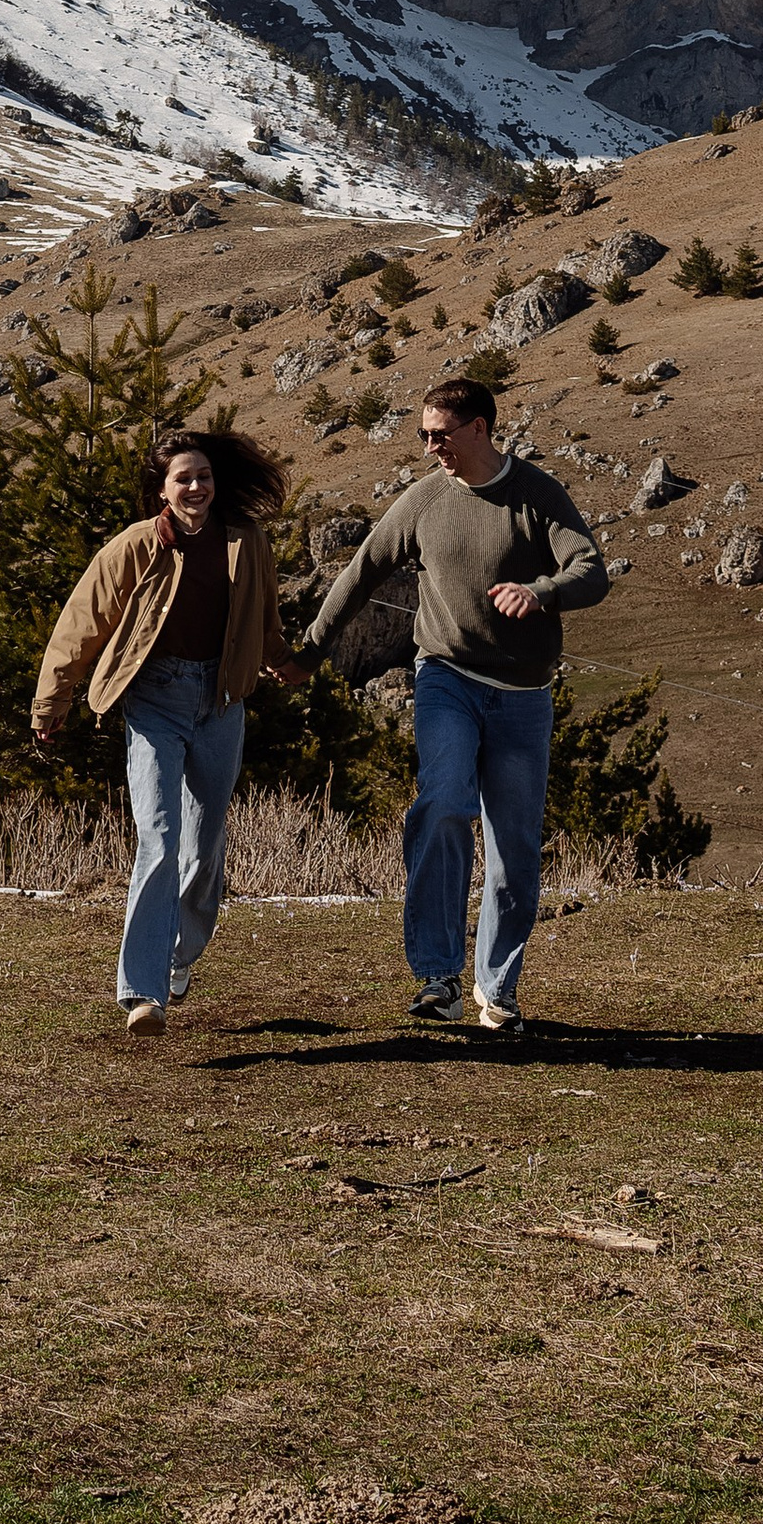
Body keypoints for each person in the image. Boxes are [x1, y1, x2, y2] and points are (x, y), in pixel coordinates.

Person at [310, 374, 605, 1035]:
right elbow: (360, 573)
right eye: (422, 434)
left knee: (514, 851)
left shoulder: (535, 494)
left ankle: (496, 990)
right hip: (445, 677)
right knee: (442, 801)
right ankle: (437, 974)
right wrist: (308, 650)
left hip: (524, 697)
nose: (429, 445)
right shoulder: (423, 500)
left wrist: (543, 590)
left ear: (479, 428)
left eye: (439, 434)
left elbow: (591, 569)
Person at [32, 424, 304, 1034]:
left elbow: (264, 616)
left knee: (205, 850)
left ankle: (178, 958)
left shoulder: (246, 539)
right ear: (162, 489)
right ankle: (142, 992)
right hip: (154, 699)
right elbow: (80, 627)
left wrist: (284, 660)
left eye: (204, 476)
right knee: (158, 834)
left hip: (221, 700)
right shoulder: (133, 547)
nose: (196, 486)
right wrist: (53, 703)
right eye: (183, 478)